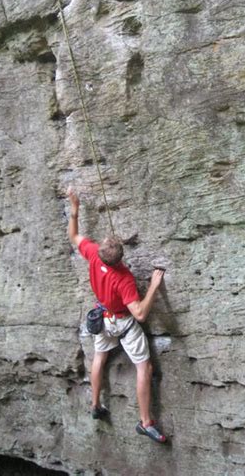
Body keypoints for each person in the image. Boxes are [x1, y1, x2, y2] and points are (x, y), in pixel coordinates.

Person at [67, 187, 166, 443]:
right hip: (121, 322)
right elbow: (140, 313)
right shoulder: (123, 278)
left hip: (103, 320)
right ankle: (145, 422)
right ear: (120, 259)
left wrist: (75, 209)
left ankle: (95, 404)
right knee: (144, 366)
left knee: (99, 358)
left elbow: (74, 235)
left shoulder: (92, 255)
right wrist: (154, 285)